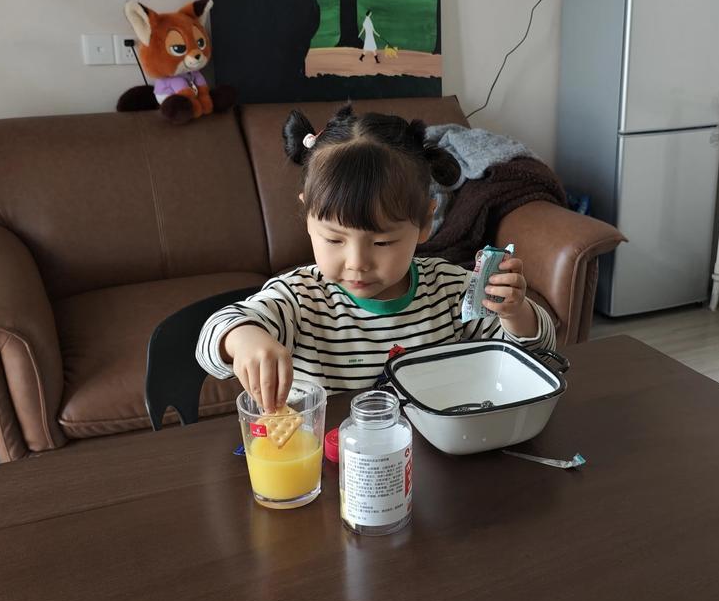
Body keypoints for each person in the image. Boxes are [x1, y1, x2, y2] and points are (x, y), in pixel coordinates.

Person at [196, 104, 556, 412]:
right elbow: (214, 337)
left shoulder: (451, 291)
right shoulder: (299, 298)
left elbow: (536, 358)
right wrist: (244, 339)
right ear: (307, 217)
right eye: (334, 239)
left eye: (382, 242)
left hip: (432, 456)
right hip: (330, 461)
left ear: (425, 223)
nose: (357, 262)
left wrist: (515, 313)